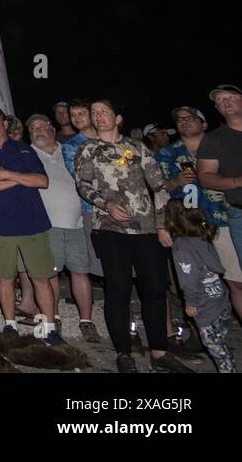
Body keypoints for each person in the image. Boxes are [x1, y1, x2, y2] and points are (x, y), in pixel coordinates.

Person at [74, 99, 190, 373]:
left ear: (118, 118)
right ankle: (124, 353)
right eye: (94, 113)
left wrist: (161, 225)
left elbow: (159, 186)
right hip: (110, 230)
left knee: (155, 290)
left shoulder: (137, 148)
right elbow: (83, 185)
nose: (98, 117)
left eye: (104, 112)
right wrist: (106, 204)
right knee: (119, 291)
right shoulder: (88, 149)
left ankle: (160, 352)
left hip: (147, 230)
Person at [0, 107, 61, 344]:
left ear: (4, 123)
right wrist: (20, 180)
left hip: (32, 222)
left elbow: (42, 181)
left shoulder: (24, 149)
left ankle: (50, 327)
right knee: (4, 277)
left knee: (41, 277)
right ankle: (10, 324)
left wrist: (6, 175)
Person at [160, 104, 242, 321]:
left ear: (204, 123)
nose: (184, 122)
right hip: (188, 228)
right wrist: (174, 181)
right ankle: (202, 331)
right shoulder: (168, 153)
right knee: (195, 282)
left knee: (236, 280)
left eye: (191, 118)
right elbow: (157, 189)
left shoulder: (222, 145)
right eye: (180, 120)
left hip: (224, 221)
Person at [27, 114, 100, 343]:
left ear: (51, 128)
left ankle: (86, 321)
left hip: (77, 222)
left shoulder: (70, 150)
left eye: (41, 126)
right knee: (51, 273)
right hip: (47, 224)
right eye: (32, 129)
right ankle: (54, 315)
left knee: (80, 272)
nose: (37, 131)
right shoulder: (28, 154)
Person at [165, 202, 234, 374]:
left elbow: (189, 279)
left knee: (217, 350)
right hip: (221, 299)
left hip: (204, 304)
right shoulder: (203, 236)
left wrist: (191, 302)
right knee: (220, 342)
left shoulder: (181, 247)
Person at [198, 84, 242, 272]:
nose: (226, 101)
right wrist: (236, 182)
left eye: (231, 97)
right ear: (217, 109)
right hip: (239, 213)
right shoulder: (213, 139)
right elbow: (205, 177)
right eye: (220, 100)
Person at [60, 97, 104, 279]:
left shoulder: (110, 137)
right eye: (73, 115)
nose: (77, 118)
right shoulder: (71, 146)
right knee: (102, 262)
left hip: (126, 205)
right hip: (92, 208)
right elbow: (81, 177)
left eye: (81, 114)